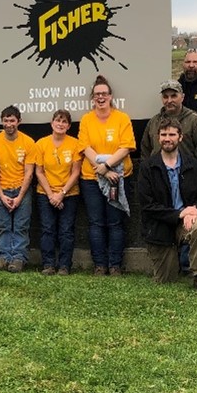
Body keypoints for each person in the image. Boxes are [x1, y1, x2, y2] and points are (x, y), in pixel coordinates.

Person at [137, 117, 197, 292]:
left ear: (180, 137)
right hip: (160, 227)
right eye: (163, 135)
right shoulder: (148, 167)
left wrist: (195, 210)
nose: (167, 138)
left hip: (187, 221)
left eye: (172, 134)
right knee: (166, 279)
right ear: (158, 138)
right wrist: (179, 214)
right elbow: (147, 205)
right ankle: (175, 261)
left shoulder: (193, 165)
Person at [78, 75, 136, 276]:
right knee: (96, 222)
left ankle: (115, 265)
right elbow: (85, 147)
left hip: (117, 177)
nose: (100, 97)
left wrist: (108, 166)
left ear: (111, 96)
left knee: (115, 222)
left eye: (104, 94)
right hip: (91, 178)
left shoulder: (122, 118)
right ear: (92, 98)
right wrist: (102, 168)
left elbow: (126, 147)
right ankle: (100, 265)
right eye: (97, 95)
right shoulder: (86, 119)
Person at [0, 106, 37, 272]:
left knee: (21, 226)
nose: (9, 124)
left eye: (12, 121)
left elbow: (29, 173)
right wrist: (1, 195)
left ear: (19, 121)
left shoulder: (28, 142)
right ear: (2, 122)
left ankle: (18, 258)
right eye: (6, 121)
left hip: (22, 189)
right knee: (3, 225)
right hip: (2, 189)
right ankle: (2, 257)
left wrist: (20, 196)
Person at [33, 109, 82, 276]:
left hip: (69, 194)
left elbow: (76, 172)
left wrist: (61, 193)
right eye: (57, 121)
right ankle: (48, 265)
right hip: (45, 193)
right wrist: (51, 195)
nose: (60, 124)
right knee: (47, 229)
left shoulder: (75, 144)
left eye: (64, 122)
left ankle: (64, 266)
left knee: (66, 231)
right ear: (51, 123)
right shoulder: (41, 144)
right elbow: (39, 172)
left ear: (68, 126)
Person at [140, 79, 197, 170]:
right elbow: (145, 152)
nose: (169, 100)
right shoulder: (154, 122)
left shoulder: (195, 121)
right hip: (157, 174)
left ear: (182, 97)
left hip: (186, 173)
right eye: (165, 97)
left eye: (173, 96)